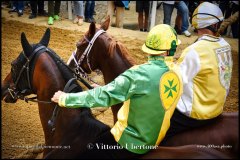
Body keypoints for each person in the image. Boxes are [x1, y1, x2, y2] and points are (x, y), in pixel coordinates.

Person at [51, 24, 183, 158]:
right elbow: (147, 96)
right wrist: (105, 88)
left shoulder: (138, 74)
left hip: (128, 142)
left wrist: (64, 98)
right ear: (169, 50)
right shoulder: (178, 72)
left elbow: (103, 97)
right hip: (155, 139)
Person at [163, 2, 233, 141]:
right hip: (216, 109)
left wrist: (166, 61)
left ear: (196, 23)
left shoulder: (195, 50)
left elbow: (174, 81)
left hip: (194, 114)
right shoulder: (226, 45)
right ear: (216, 24)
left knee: (155, 126)